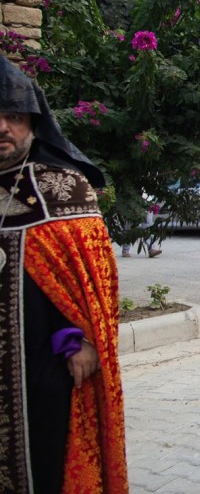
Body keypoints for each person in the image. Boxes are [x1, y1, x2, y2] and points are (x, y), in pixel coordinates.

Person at [0, 57, 127, 492]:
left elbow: (95, 281)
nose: (3, 128)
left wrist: (86, 340)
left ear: (33, 123)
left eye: (14, 117)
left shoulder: (62, 186)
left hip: (45, 360)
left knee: (46, 459)